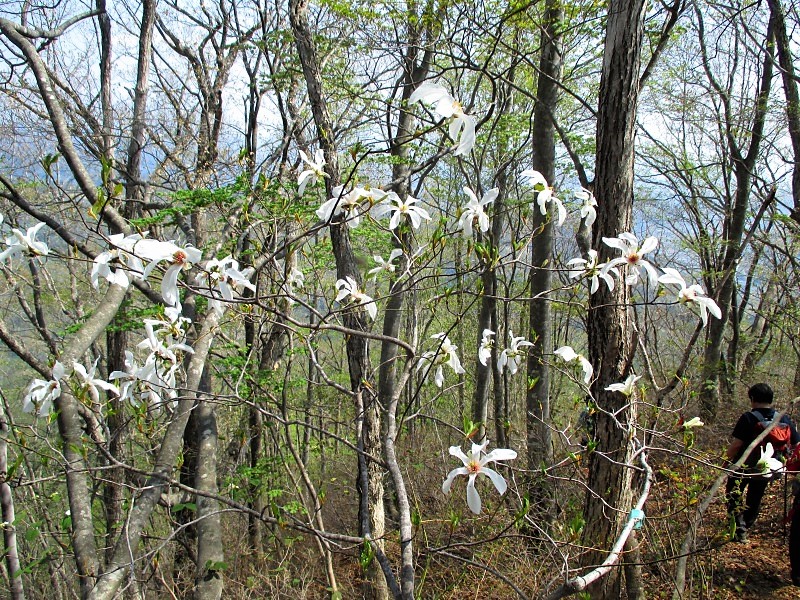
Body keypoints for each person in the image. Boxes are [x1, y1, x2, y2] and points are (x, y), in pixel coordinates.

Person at [724, 383, 800, 543]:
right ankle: (745, 527)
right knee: (755, 497)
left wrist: (724, 461)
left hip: (744, 466)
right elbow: (796, 442)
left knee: (733, 494)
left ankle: (738, 528)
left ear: (752, 399)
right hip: (768, 468)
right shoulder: (783, 418)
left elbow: (737, 445)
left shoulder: (748, 417)